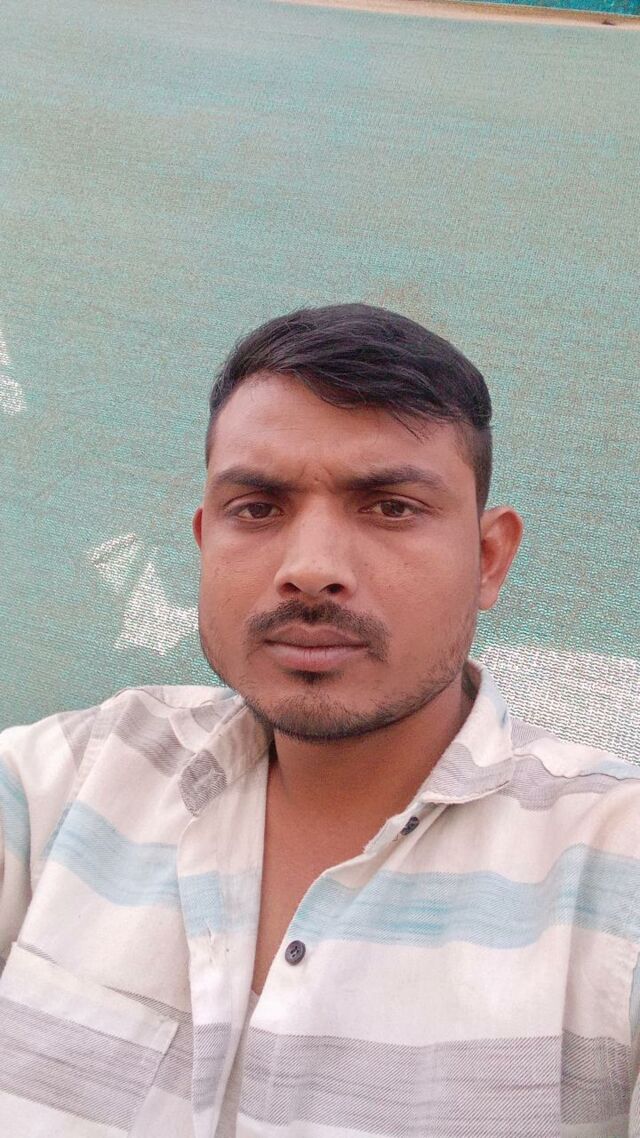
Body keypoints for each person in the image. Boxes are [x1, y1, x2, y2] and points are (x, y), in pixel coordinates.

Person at [0, 303, 638, 1138]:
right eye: (259, 508)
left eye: (390, 507)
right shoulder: (61, 786)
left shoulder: (614, 875)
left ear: (488, 559)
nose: (310, 569)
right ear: (205, 541)